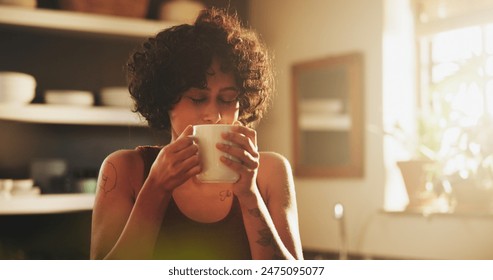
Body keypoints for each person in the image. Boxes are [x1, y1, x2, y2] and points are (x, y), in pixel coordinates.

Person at [90, 7, 303, 260]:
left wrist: (249, 195)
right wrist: (156, 187)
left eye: (227, 99)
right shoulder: (125, 169)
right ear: (166, 100)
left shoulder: (270, 172)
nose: (214, 115)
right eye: (198, 98)